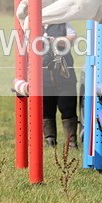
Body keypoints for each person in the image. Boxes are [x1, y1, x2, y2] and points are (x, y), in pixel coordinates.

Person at [42, 22, 79, 150]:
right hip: (43, 78)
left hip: (65, 77)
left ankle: (72, 144)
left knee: (68, 109)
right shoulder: (31, 24)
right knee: (47, 111)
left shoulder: (63, 24)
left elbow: (72, 38)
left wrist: (54, 41)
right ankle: (50, 142)